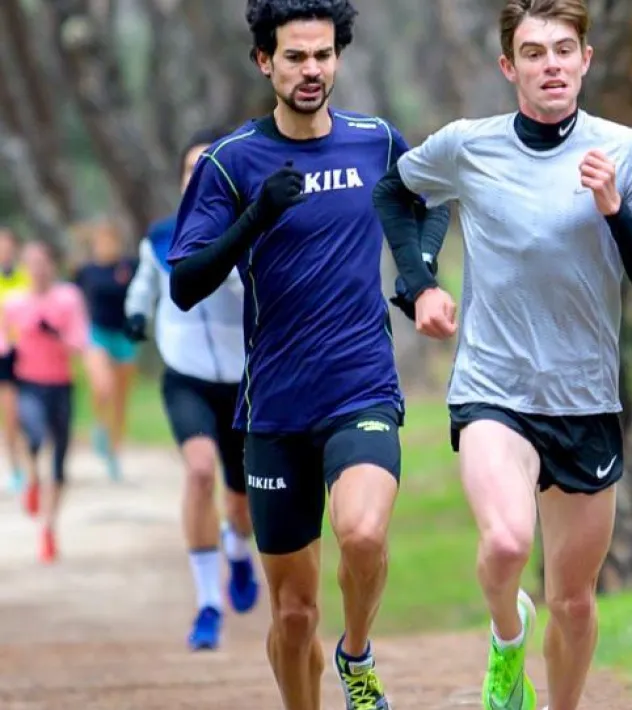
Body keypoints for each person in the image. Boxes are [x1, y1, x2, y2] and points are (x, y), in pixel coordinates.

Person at [373, 1, 632, 708]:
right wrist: (419, 286)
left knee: (573, 600)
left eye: (564, 50)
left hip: (585, 399)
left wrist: (613, 207)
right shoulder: (466, 146)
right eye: (535, 53)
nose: (552, 66)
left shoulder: (627, 152)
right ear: (509, 66)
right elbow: (395, 192)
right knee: (509, 544)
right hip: (494, 387)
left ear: (586, 60)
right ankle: (507, 640)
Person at [167, 1, 450, 708]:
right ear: (265, 61)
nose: (311, 70)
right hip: (276, 410)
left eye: (323, 55)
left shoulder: (376, 141)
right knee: (293, 617)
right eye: (295, 57)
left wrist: (418, 281)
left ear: (338, 57)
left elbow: (433, 198)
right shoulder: (232, 164)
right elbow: (185, 282)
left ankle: (357, 652)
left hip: (361, 387)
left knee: (360, 532)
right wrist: (257, 215)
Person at [124, 127, 260, 652]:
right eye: (190, 170)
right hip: (187, 378)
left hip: (245, 382)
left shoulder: (252, 233)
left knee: (240, 501)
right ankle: (208, 604)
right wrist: (137, 314)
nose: (198, 179)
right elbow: (146, 284)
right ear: (181, 179)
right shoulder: (160, 237)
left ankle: (239, 552)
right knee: (200, 472)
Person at [1, 241, 92, 563]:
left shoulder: (68, 298)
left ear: (51, 265)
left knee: (60, 461)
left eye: (42, 263)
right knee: (35, 436)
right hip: (28, 384)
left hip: (61, 385)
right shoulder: (13, 302)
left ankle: (49, 529)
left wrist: (55, 333)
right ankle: (32, 479)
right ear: (25, 268)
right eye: (31, 264)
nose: (37, 270)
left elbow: (80, 341)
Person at [73, 218, 139, 481]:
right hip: (97, 334)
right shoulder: (86, 270)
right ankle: (99, 425)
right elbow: (74, 301)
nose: (106, 245)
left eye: (110, 240)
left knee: (121, 400)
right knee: (103, 386)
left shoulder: (129, 267)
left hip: (123, 336)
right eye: (101, 240)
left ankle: (115, 453)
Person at [0, 226, 30, 492]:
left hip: (25, 354)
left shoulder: (26, 277)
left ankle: (25, 466)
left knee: (21, 414)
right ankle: (16, 468)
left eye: (8, 247)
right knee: (9, 415)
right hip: (3, 354)